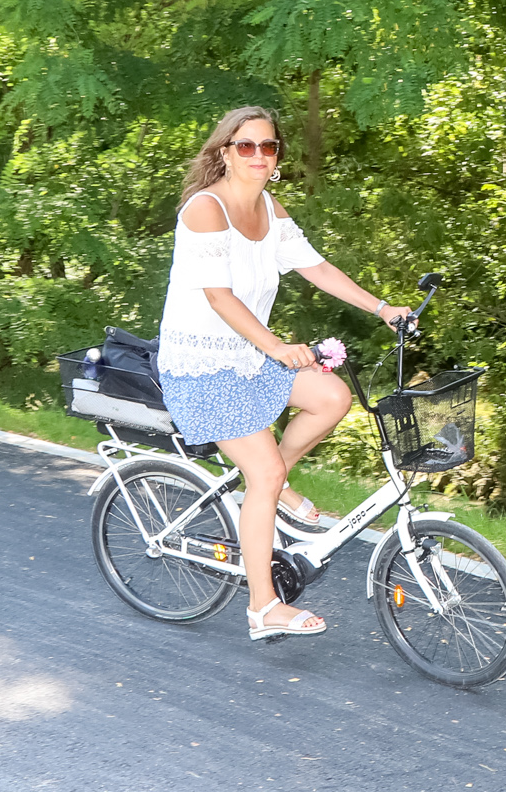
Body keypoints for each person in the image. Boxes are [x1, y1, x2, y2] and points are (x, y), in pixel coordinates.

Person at [156, 106, 411, 640]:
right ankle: (262, 607)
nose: (257, 156)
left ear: (277, 159)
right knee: (265, 473)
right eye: (245, 146)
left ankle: (270, 485)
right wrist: (275, 346)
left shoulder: (271, 208)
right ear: (224, 152)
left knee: (332, 397)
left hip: (248, 358)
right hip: (201, 368)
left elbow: (315, 267)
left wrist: (383, 309)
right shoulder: (205, 210)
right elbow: (218, 296)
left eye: (268, 147)